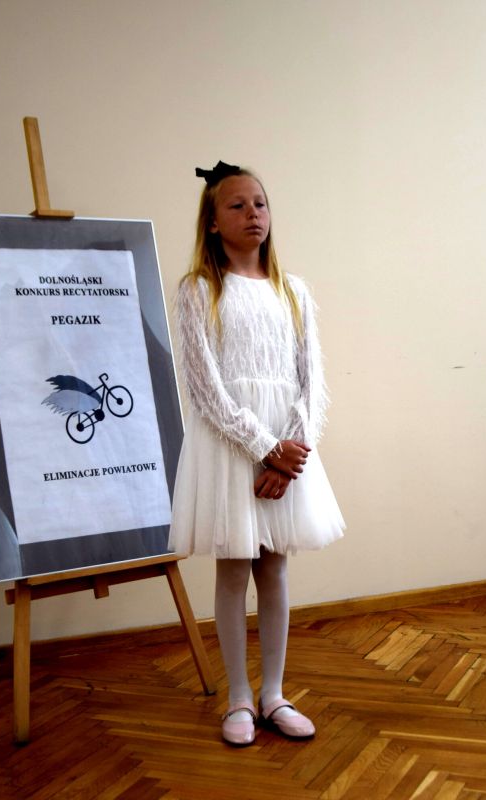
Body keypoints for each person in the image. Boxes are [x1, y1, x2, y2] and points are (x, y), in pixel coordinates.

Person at [169, 160, 345, 746]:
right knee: (234, 567)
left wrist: (290, 455)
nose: (253, 214)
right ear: (212, 221)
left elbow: (311, 384)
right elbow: (206, 389)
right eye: (238, 205)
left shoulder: (294, 291)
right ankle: (238, 698)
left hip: (286, 451)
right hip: (233, 447)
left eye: (260, 203)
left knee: (274, 567)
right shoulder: (199, 290)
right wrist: (265, 449)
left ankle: (274, 693)